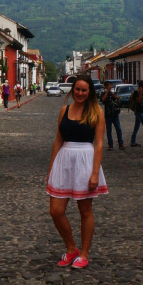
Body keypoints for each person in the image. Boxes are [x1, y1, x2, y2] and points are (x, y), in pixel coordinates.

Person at [46, 76, 107, 269]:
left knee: (85, 211)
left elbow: (98, 143)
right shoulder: (64, 110)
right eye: (78, 90)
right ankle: (71, 248)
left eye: (84, 90)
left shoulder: (96, 112)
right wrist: (52, 167)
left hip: (85, 161)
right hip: (64, 161)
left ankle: (84, 253)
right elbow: (58, 140)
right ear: (73, 90)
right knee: (56, 211)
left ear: (90, 93)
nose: (80, 93)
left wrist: (95, 172)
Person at [101, 82, 124, 150]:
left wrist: (116, 97)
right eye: (108, 85)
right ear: (105, 87)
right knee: (109, 131)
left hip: (115, 114)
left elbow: (117, 98)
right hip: (108, 115)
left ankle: (121, 144)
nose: (109, 86)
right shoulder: (104, 93)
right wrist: (107, 92)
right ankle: (110, 145)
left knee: (118, 129)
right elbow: (103, 100)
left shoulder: (113, 93)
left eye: (110, 85)